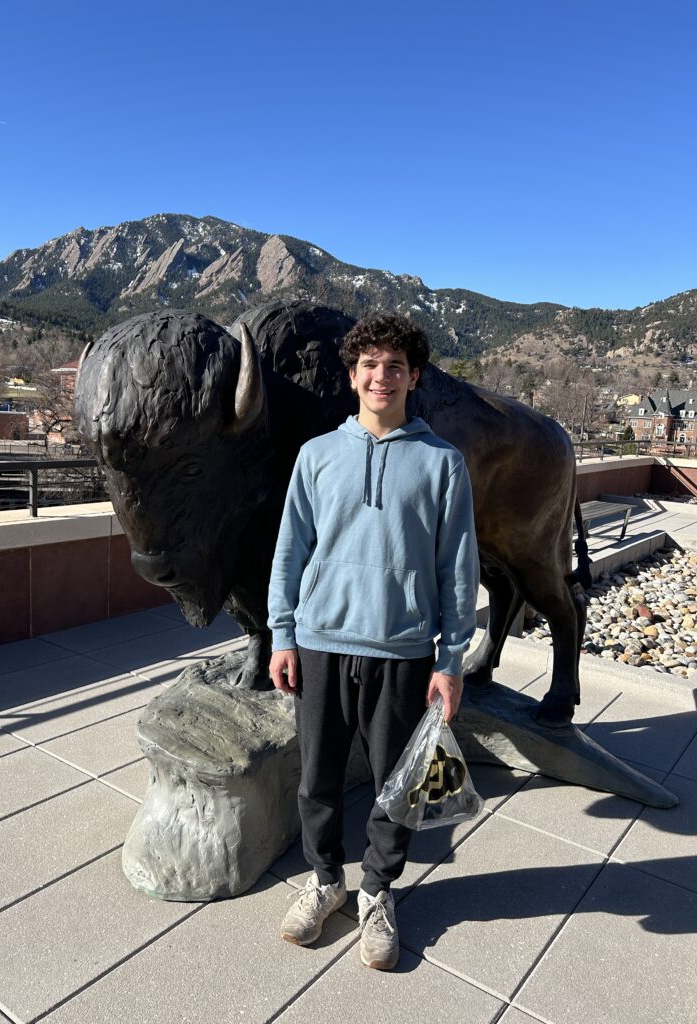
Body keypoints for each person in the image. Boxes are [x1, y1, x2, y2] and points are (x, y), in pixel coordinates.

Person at [267, 313, 479, 971]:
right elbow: (291, 550)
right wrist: (283, 633)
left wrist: (449, 660)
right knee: (317, 780)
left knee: (397, 787)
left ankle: (379, 892)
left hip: (405, 650)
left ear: (414, 376)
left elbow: (458, 568)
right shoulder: (316, 456)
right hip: (323, 642)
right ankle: (327, 880)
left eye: (394, 366)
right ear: (352, 374)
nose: (380, 377)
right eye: (369, 365)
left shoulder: (442, 463)